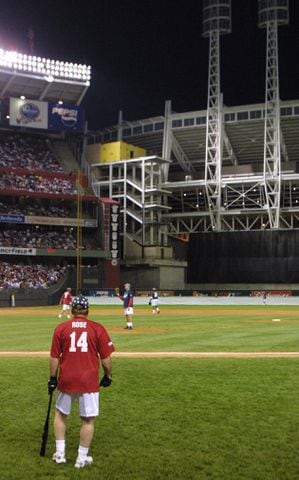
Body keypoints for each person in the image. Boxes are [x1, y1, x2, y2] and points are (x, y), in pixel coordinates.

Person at [48, 295, 115, 469]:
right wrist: (108, 376)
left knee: (61, 414)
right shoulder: (97, 328)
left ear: (71, 310)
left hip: (67, 379)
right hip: (89, 380)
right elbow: (106, 359)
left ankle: (60, 454)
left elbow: (54, 357)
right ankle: (81, 458)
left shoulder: (61, 328)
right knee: (87, 419)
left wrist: (52, 378)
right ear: (88, 310)